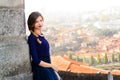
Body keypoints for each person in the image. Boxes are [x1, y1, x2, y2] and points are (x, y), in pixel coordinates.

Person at [27, 11, 62, 80]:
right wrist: (52, 66)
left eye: (41, 20)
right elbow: (36, 60)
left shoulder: (41, 35)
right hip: (41, 69)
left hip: (47, 67)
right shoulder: (32, 38)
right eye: (36, 21)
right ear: (32, 24)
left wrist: (52, 69)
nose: (40, 23)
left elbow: (47, 55)